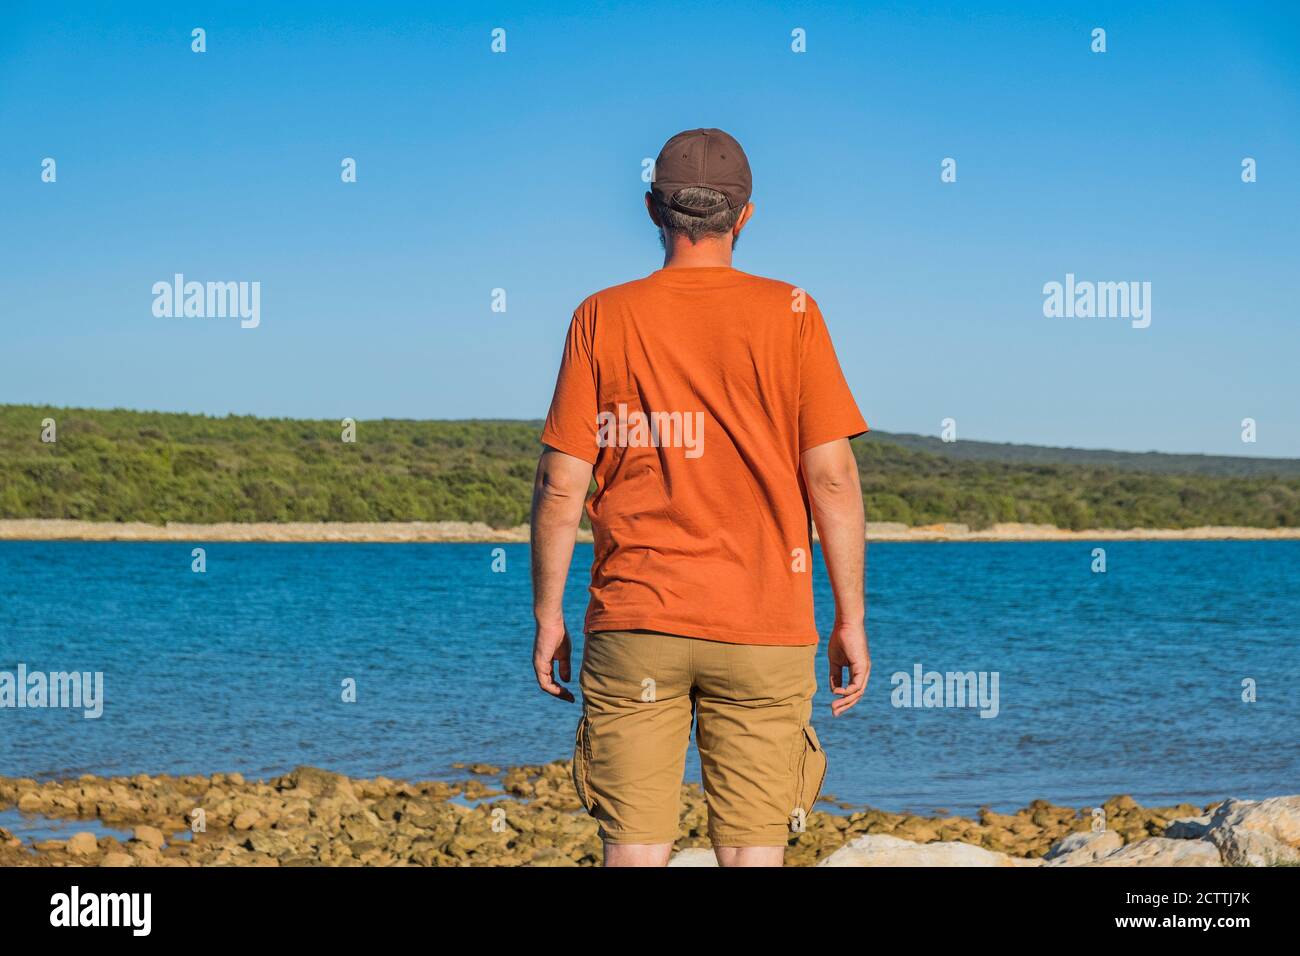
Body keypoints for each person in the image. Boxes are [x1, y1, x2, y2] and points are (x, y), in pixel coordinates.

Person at [530, 128, 870, 867]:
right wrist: (850, 618)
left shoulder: (600, 316)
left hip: (636, 620)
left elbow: (562, 482)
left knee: (635, 850)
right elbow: (834, 478)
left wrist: (548, 615)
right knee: (754, 852)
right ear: (745, 217)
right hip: (763, 627)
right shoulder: (795, 314)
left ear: (653, 209)